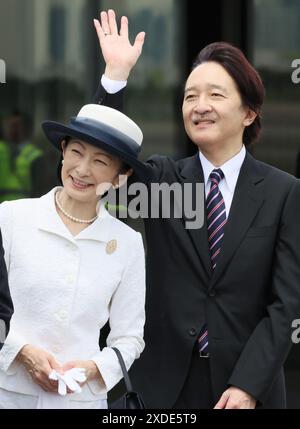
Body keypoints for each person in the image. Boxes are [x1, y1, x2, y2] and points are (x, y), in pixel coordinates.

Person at [93, 10, 300, 409]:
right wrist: (114, 78)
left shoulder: (284, 193)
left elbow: (286, 305)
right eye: (190, 96)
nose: (199, 105)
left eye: (216, 95)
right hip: (161, 389)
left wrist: (249, 386)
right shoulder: (162, 181)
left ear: (249, 112)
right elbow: (97, 163)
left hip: (244, 388)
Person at [0, 103, 146, 409]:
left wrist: (93, 370)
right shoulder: (10, 218)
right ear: (63, 151)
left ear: (121, 176)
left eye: (100, 161)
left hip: (82, 401)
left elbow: (129, 338)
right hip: (9, 394)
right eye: (77, 152)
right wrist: (20, 351)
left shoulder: (128, 243)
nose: (82, 170)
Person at [0, 110, 43, 202]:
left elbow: (40, 188)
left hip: (25, 208)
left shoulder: (35, 155)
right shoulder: (2, 150)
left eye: (16, 126)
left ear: (27, 128)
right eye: (10, 125)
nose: (12, 129)